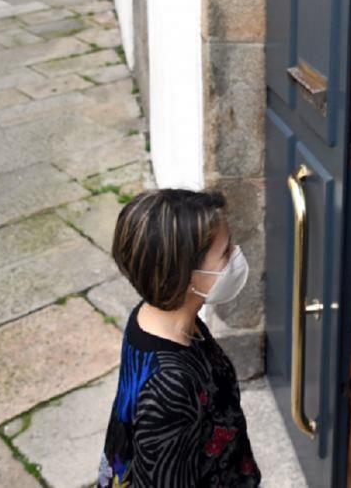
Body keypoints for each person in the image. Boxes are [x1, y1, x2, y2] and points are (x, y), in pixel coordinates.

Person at [96, 189, 261, 487]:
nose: (236, 255)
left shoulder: (154, 316)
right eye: (225, 252)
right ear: (185, 275)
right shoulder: (170, 386)